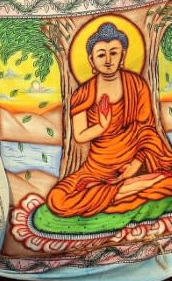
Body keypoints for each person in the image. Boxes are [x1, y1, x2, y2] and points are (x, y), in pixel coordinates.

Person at [47, 22, 172, 217]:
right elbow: (79, 136)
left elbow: (146, 131)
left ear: (123, 55)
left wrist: (135, 164)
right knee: (57, 199)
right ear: (91, 60)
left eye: (113, 53)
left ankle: (125, 186)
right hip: (98, 166)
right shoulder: (83, 93)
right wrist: (100, 126)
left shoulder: (137, 84)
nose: (107, 60)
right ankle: (134, 187)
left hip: (133, 155)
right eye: (101, 54)